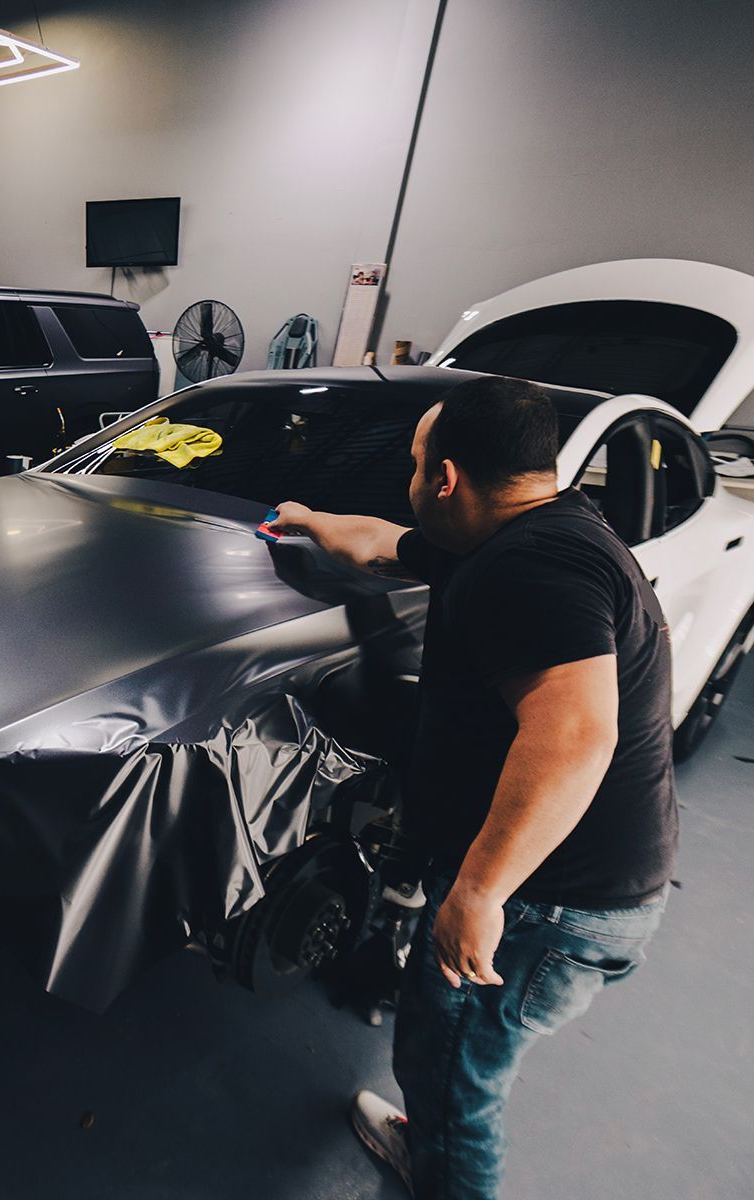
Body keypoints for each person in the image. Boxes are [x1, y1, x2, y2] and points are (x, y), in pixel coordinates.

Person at [271, 376, 676, 1200]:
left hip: (547, 903)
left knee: (456, 1081)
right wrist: (307, 520)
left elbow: (575, 733)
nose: (411, 480)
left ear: (446, 477)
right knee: (447, 1050)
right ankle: (431, 1143)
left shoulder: (527, 569)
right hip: (584, 887)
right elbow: (379, 542)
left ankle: (444, 1166)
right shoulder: (524, 531)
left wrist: (482, 891)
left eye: (416, 463)